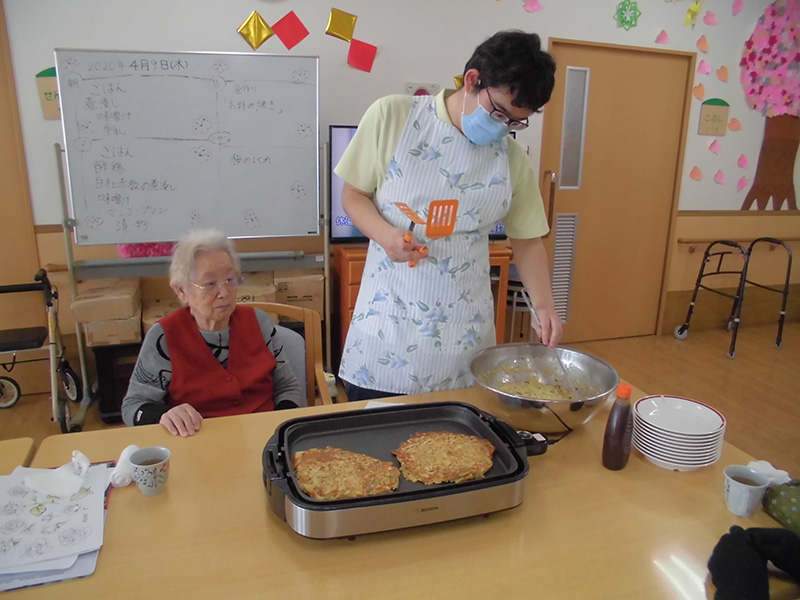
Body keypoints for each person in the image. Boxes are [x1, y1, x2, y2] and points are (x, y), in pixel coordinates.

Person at [335, 30, 563, 401]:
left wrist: (545, 306)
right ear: (473, 80)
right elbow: (353, 195)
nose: (504, 128)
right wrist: (385, 235)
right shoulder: (394, 116)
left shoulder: (512, 159)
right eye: (499, 113)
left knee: (458, 451)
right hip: (386, 333)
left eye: (515, 123)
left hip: (464, 337)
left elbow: (527, 239)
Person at [121, 228, 302, 436]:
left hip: (262, 437)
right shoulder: (164, 337)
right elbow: (133, 406)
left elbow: (288, 388)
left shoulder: (259, 323)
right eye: (209, 284)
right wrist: (163, 414)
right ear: (181, 290)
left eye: (230, 280)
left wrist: (280, 431)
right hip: (198, 442)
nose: (224, 293)